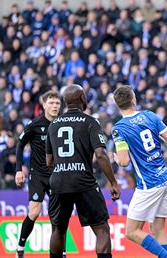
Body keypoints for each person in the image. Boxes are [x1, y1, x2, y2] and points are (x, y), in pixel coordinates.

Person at [46, 85, 120, 258]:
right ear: (82, 99)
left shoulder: (53, 124)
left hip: (59, 181)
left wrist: (64, 166)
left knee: (58, 229)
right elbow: (101, 154)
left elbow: (49, 161)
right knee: (102, 229)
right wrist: (113, 182)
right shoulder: (90, 122)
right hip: (83, 180)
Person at [111, 85, 167, 258]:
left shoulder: (119, 129)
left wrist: (117, 158)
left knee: (131, 231)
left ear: (118, 105)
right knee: (158, 229)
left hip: (149, 184)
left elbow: (124, 161)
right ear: (133, 100)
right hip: (165, 178)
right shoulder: (150, 115)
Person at [14, 91, 61, 258]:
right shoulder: (35, 124)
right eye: (52, 103)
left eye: (57, 103)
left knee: (57, 215)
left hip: (57, 175)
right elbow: (20, 145)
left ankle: (59, 250)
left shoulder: (62, 124)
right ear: (44, 105)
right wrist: (19, 169)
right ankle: (20, 247)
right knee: (34, 212)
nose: (55, 106)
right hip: (38, 174)